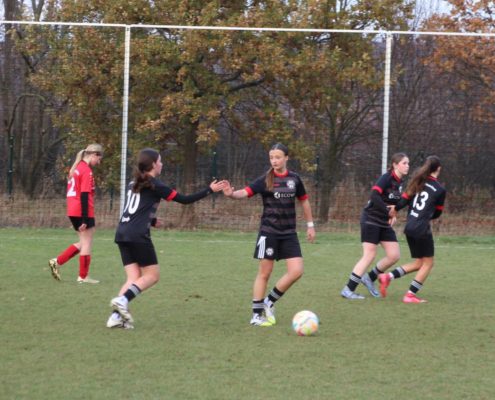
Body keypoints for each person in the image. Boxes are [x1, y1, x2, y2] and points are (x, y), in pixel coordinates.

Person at [107, 148, 226, 329]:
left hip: (122, 233)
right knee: (152, 276)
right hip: (138, 235)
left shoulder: (134, 182)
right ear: (153, 164)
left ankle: (116, 317)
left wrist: (152, 220)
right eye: (160, 161)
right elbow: (184, 200)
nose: (162, 164)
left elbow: (134, 209)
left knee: (133, 278)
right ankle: (123, 300)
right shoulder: (155, 184)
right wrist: (209, 190)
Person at [222, 143, 316, 327]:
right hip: (269, 233)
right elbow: (245, 192)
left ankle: (269, 301)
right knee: (264, 273)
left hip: (289, 233)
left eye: (278, 157)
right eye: (272, 157)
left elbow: (304, 201)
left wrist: (310, 225)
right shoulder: (265, 180)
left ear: (286, 158)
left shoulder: (295, 179)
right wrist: (231, 194)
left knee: (297, 271)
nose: (274, 160)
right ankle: (256, 314)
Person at [341, 152, 410, 299]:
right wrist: (387, 212)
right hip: (371, 219)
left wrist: (393, 214)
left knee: (394, 255)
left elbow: (392, 203)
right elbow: (374, 195)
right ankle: (348, 289)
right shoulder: (387, 178)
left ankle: (369, 278)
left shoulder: (400, 182)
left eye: (408, 163)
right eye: (404, 163)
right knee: (369, 255)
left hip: (383, 223)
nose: (407, 166)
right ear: (395, 165)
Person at [379, 155, 446, 303]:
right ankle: (410, 295)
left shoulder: (419, 181)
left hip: (409, 227)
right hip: (422, 229)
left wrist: (395, 209)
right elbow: (438, 213)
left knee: (419, 263)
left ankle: (387, 277)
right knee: (428, 263)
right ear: (438, 168)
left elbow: (404, 200)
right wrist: (427, 215)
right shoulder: (440, 189)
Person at [48, 143, 103, 284]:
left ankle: (57, 262)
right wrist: (84, 218)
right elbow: (84, 195)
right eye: (99, 159)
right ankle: (83, 277)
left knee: (84, 242)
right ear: (94, 154)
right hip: (82, 210)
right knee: (87, 243)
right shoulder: (86, 170)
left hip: (73, 209)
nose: (99, 162)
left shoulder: (77, 168)